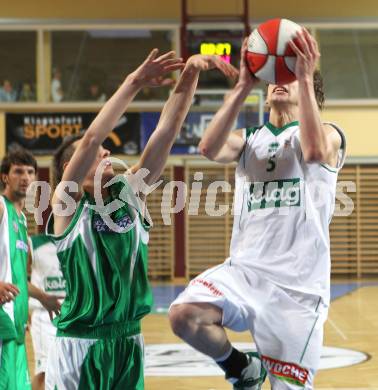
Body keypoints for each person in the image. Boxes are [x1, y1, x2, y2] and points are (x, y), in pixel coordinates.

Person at [45, 49, 237, 390]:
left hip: (128, 341)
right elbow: (91, 138)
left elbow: (167, 129)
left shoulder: (130, 195)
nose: (105, 152)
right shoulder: (67, 204)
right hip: (79, 342)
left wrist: (190, 74)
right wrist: (134, 83)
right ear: (69, 169)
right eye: (96, 153)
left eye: (107, 150)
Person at [169, 29, 346, 390]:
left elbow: (313, 153)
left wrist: (304, 74)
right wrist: (242, 87)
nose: (278, 83)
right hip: (245, 273)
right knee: (183, 315)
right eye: (274, 79)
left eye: (289, 79)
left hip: (297, 290)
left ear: (309, 88)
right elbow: (207, 148)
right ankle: (241, 367)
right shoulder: (250, 139)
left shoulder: (329, 133)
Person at [0, 147, 62, 390]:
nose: (25, 177)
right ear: (5, 176)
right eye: (18, 171)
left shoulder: (22, 220)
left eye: (30, 172)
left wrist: (44, 298)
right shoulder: (2, 208)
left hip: (14, 324)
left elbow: (17, 278)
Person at [28, 234, 65, 390]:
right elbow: (19, 276)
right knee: (44, 371)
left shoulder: (80, 238)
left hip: (73, 313)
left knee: (69, 370)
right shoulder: (34, 244)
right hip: (44, 315)